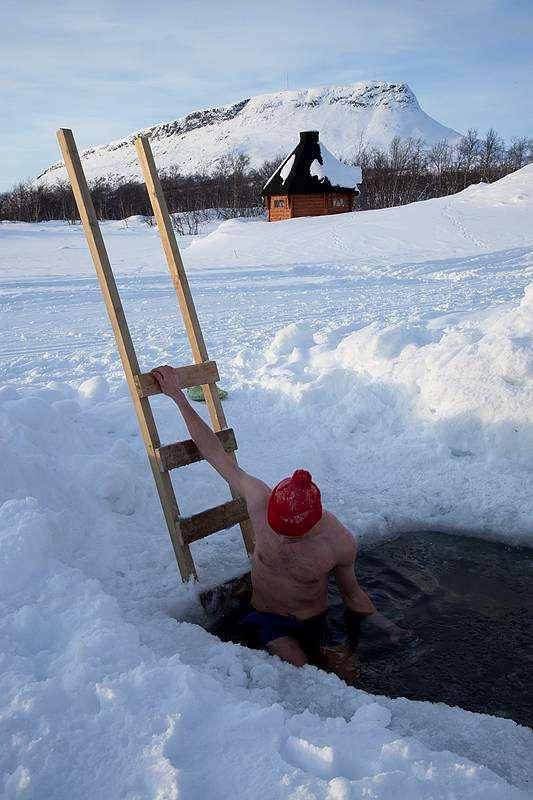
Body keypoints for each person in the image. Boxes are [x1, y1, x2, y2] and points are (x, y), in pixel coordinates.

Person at [152, 366, 413, 683]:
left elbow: (352, 594)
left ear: (314, 521)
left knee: (349, 675)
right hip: (267, 618)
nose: (284, 539)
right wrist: (179, 397)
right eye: (280, 529)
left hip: (314, 620)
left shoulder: (337, 542)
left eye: (293, 534)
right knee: (301, 674)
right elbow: (215, 453)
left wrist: (388, 628)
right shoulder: (259, 498)